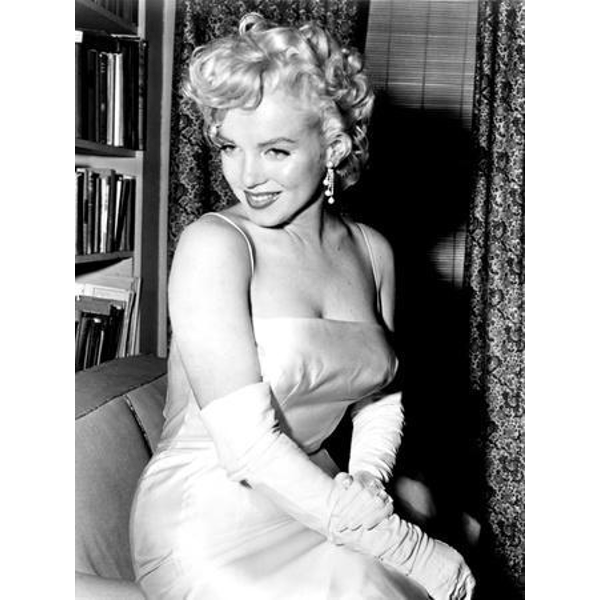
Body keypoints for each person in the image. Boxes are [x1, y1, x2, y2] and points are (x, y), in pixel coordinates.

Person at [130, 13, 475, 600]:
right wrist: (402, 545)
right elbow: (246, 447)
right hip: (208, 520)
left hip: (323, 499)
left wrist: (367, 484)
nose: (246, 176)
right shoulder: (215, 245)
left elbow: (380, 395)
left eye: (276, 150)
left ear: (333, 147)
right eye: (230, 147)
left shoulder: (373, 252)